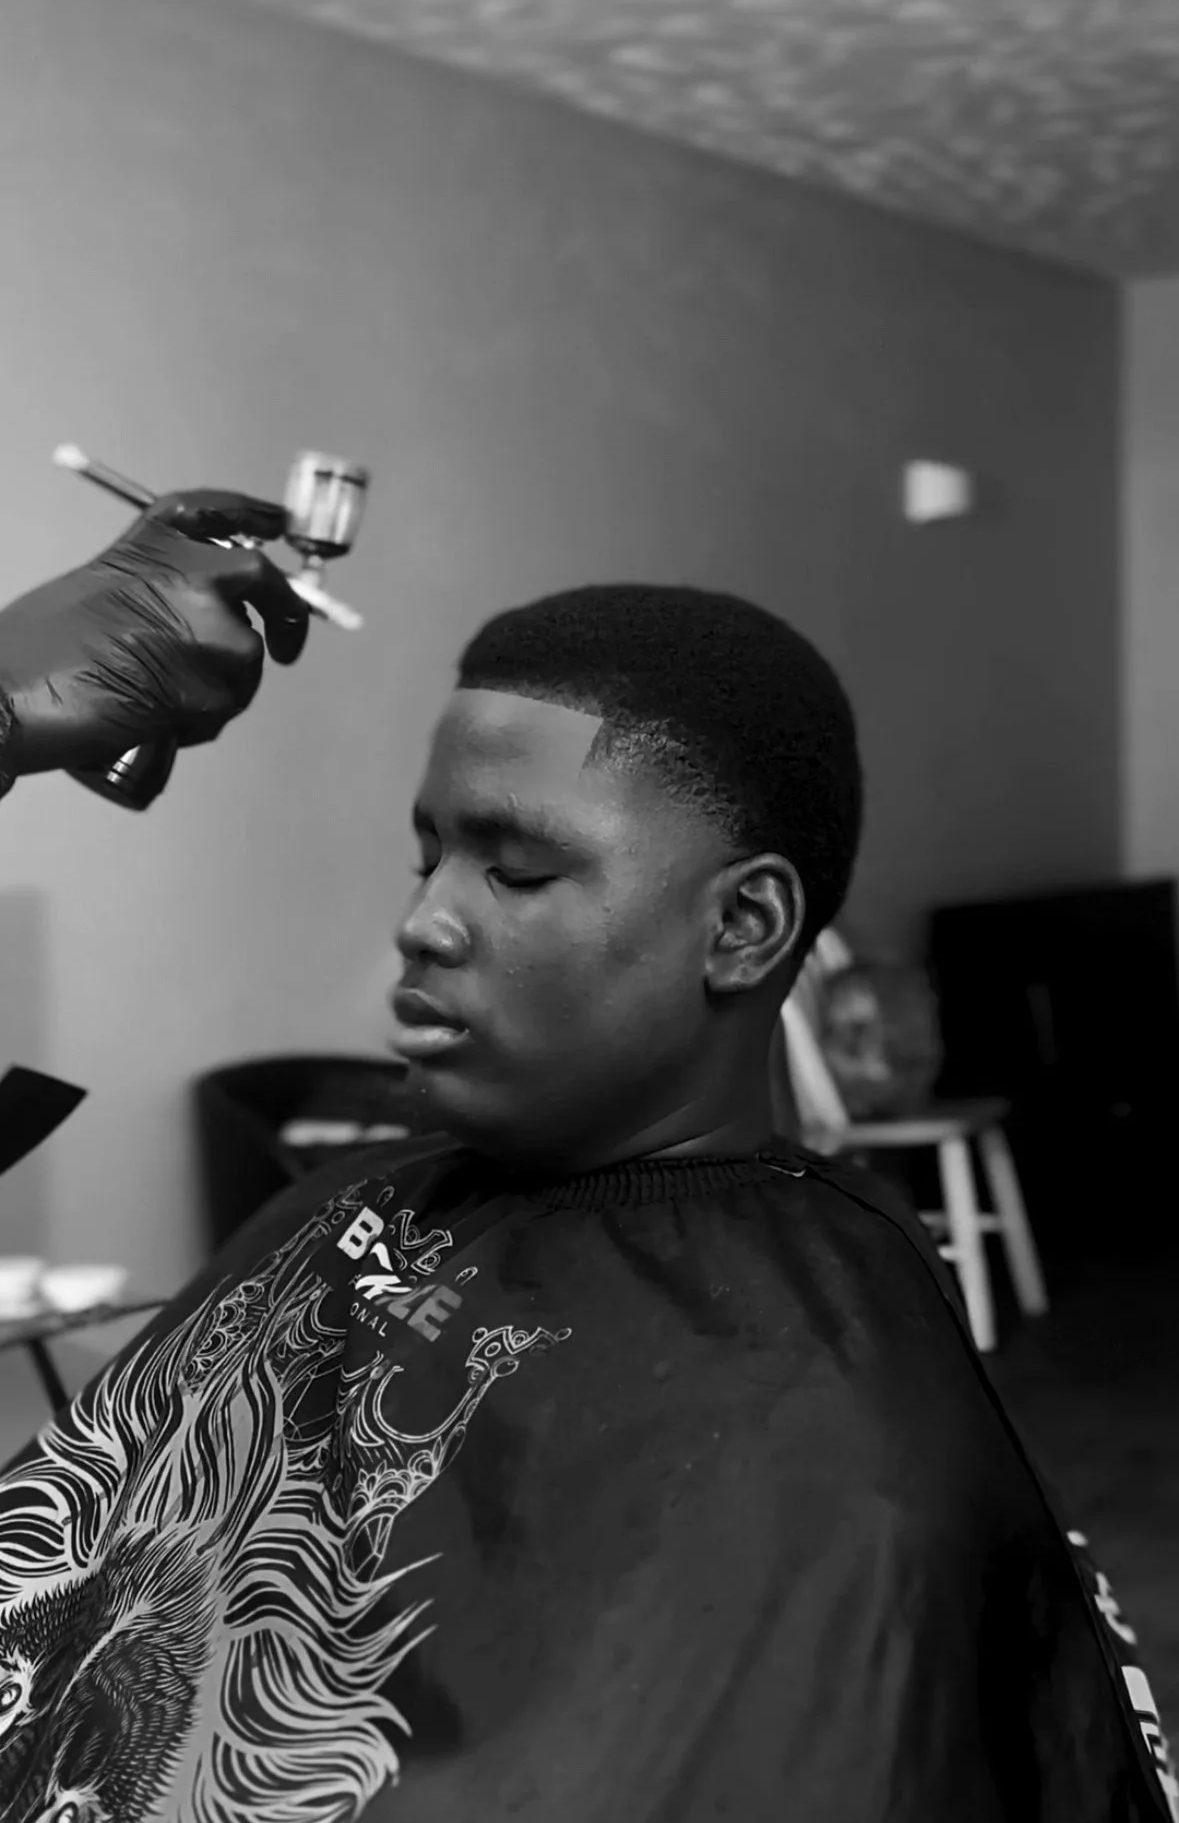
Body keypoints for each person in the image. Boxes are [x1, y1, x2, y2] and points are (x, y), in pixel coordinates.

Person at [0, 491, 1174, 1823]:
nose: (423, 922)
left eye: (514, 871)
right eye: (429, 857)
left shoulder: (827, 1457)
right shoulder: (348, 1206)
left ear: (743, 926)